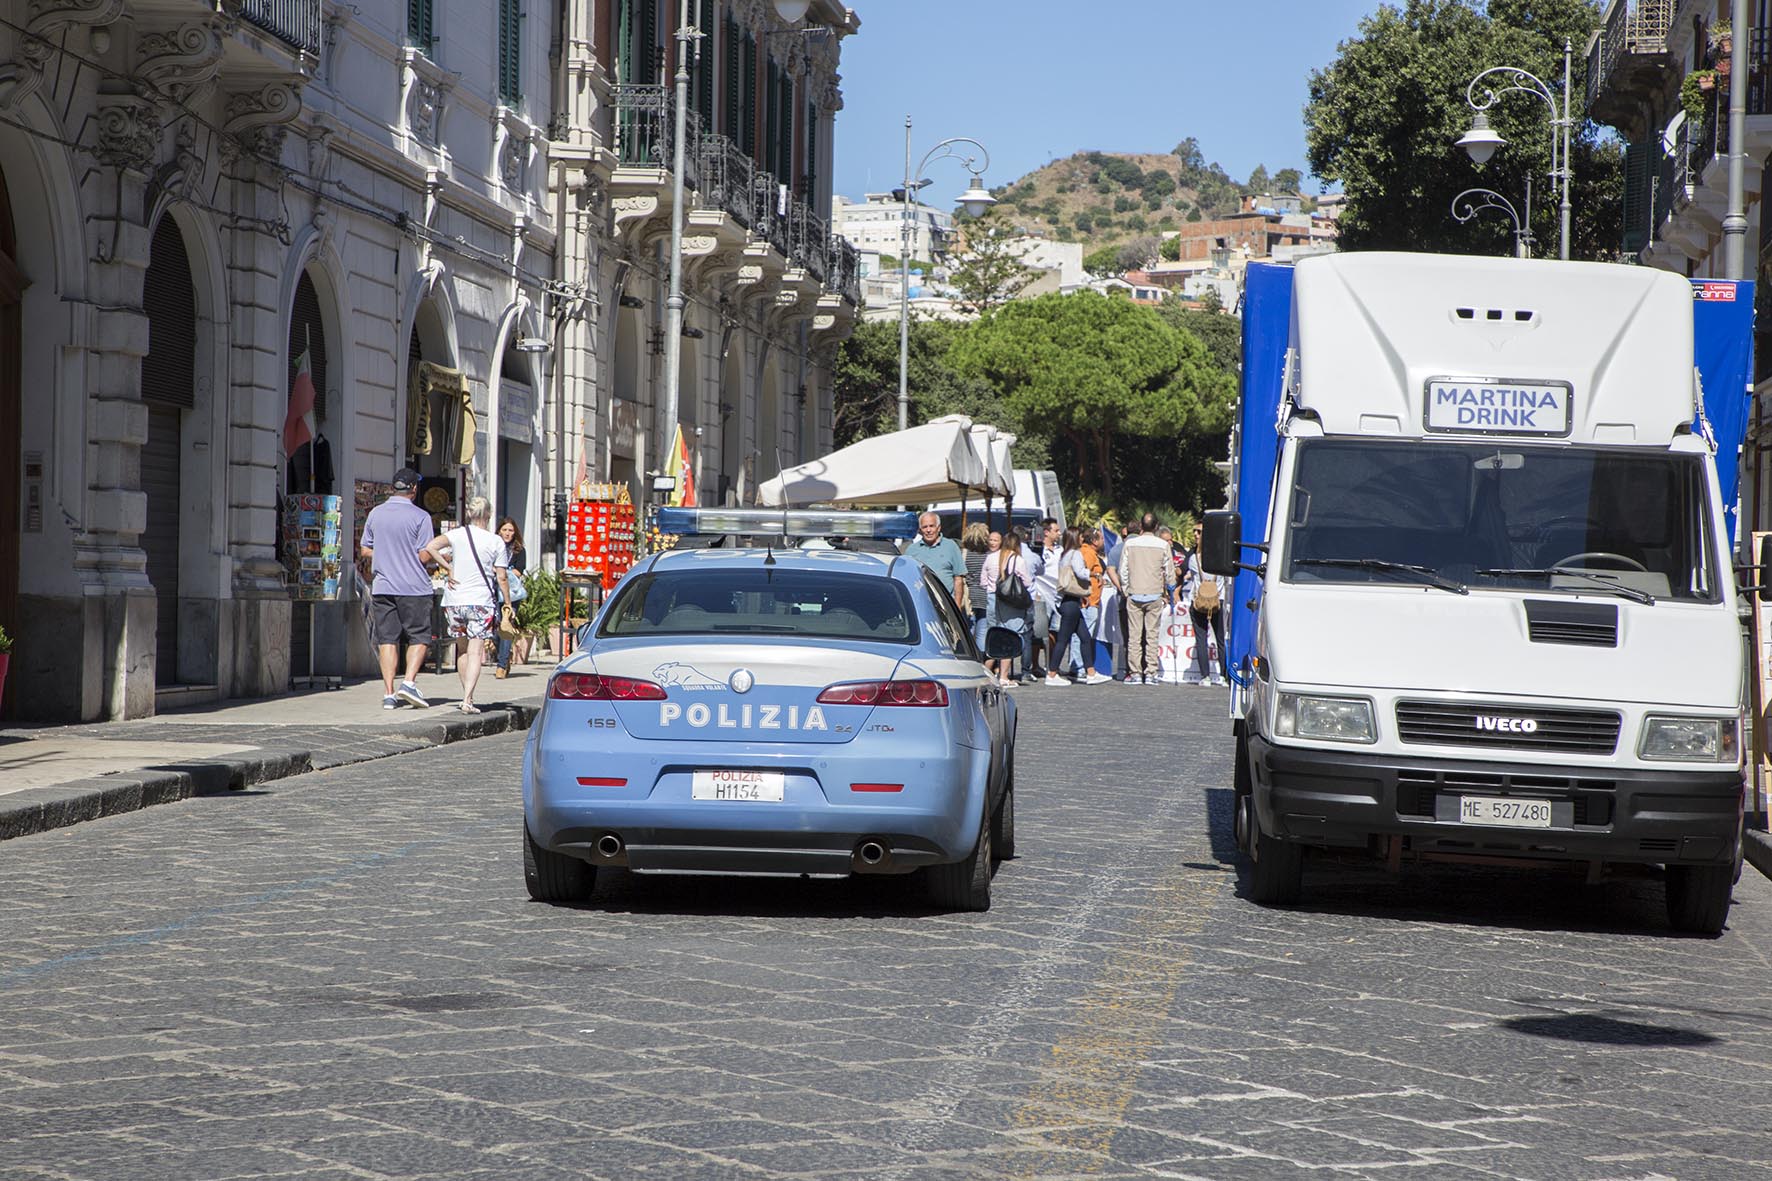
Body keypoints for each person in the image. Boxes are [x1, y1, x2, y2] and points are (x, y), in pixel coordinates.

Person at [358, 467, 438, 710]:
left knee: (387, 640)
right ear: (414, 489)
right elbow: (425, 555)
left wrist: (387, 553)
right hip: (413, 587)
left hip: (383, 586)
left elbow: (365, 550)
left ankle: (389, 693)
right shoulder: (421, 517)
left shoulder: (375, 514)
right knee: (420, 637)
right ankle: (409, 683)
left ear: (394, 488)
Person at [422, 496, 511, 713]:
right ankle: (468, 698)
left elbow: (430, 547)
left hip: (454, 601)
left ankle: (466, 694)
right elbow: (502, 577)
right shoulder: (495, 541)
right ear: (488, 515)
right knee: (475, 651)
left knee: (462, 649)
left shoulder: (457, 534)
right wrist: (507, 603)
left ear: (469, 514)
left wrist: (448, 567)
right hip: (480, 602)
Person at [1119, 512, 1178, 685]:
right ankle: (1151, 672)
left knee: (1134, 636)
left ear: (1141, 526)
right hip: (1154, 593)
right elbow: (1169, 570)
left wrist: (1126, 589)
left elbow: (1123, 569)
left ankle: (1135, 672)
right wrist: (1171, 587)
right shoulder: (1162, 545)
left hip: (1135, 592)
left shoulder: (1130, 543)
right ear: (1156, 527)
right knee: (1152, 635)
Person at [1049, 528, 1112, 686]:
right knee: (1063, 640)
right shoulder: (1075, 554)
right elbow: (1080, 572)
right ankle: (1052, 673)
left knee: (1084, 637)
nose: (1083, 539)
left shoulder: (1064, 554)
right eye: (1081, 537)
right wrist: (1094, 574)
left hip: (1071, 601)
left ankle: (1090, 673)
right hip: (1070, 602)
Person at [981, 529, 1034, 687]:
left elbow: (983, 581)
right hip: (1011, 602)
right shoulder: (1017, 560)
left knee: (994, 637)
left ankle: (986, 672)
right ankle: (1004, 676)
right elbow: (1027, 583)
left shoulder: (991, 557)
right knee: (1010, 637)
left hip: (993, 599)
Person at [1187, 521, 1228, 687]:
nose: (1195, 535)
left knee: (1201, 638)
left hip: (1199, 600)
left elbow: (1193, 577)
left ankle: (1205, 676)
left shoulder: (1193, 559)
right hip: (1218, 599)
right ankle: (1223, 676)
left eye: (1198, 532)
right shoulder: (1221, 557)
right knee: (1220, 639)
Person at [904, 511, 967, 606]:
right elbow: (907, 578)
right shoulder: (912, 550)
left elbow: (958, 579)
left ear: (939, 528)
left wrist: (957, 607)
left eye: (931, 526)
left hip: (946, 604)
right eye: (925, 527)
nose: (928, 530)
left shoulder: (951, 546)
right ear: (920, 530)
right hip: (921, 603)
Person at [493, 517, 527, 679]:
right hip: (493, 592)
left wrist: (499, 571)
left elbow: (518, 572)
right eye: (505, 530)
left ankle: (501, 665)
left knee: (506, 628)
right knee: (495, 630)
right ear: (499, 530)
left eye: (510, 530)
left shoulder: (519, 550)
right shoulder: (492, 547)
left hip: (511, 595)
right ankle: (505, 657)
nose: (507, 533)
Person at [1033, 517, 1062, 679]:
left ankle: (1051, 665)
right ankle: (1035, 665)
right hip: (1041, 595)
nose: (1059, 533)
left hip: (1057, 595)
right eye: (1056, 530)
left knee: (1054, 632)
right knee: (1038, 632)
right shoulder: (1038, 551)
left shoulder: (1059, 550)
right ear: (1046, 532)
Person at [960, 521, 992, 648]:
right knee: (982, 631)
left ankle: (969, 654)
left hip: (969, 597)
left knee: (969, 630)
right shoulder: (989, 555)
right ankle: (981, 658)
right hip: (985, 596)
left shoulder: (964, 554)